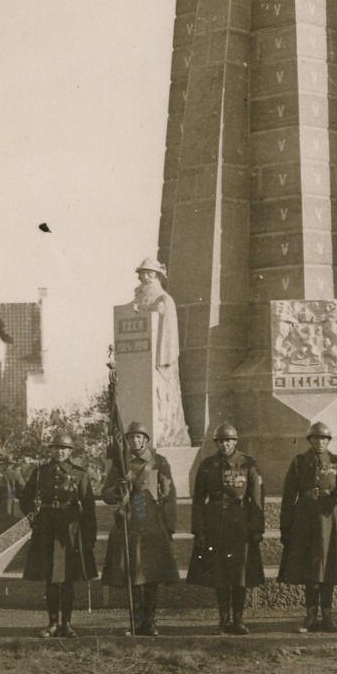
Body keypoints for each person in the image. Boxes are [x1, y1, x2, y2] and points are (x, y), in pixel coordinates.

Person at [101, 421, 180, 637]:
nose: (135, 441)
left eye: (138, 437)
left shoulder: (158, 462)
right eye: (131, 438)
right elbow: (105, 493)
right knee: (133, 574)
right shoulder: (120, 464)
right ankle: (135, 622)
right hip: (129, 519)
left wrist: (169, 527)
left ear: (145, 439)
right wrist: (118, 487)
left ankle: (150, 621)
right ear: (126, 440)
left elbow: (169, 494)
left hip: (151, 517)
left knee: (151, 574)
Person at [279, 421, 337, 634]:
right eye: (316, 438)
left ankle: (328, 616)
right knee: (309, 570)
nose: (320, 442)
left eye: (324, 438)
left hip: (329, 519)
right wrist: (285, 527)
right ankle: (311, 616)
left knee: (328, 569)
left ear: (329, 441)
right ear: (310, 440)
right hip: (304, 519)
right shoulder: (299, 462)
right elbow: (288, 496)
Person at [186, 421, 265, 635]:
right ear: (216, 443)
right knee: (220, 575)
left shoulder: (248, 464)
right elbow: (199, 500)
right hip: (215, 525)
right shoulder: (207, 466)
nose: (225, 445)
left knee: (239, 575)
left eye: (229, 441)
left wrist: (257, 528)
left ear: (235, 442)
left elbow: (257, 498)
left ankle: (238, 620)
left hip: (239, 525)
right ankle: (223, 621)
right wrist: (199, 530)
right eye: (221, 441)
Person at [19, 432, 98, 638]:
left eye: (64, 448)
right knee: (51, 578)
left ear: (70, 451)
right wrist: (33, 517)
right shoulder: (39, 473)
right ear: (50, 450)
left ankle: (67, 623)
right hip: (46, 528)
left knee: (68, 578)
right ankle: (52, 623)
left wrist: (89, 536)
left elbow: (88, 507)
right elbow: (25, 498)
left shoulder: (80, 474)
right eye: (55, 448)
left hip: (70, 530)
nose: (59, 451)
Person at [130, 258, 190, 448]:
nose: (144, 276)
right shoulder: (138, 295)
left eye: (148, 272)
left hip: (157, 358)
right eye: (142, 272)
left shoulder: (163, 298)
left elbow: (159, 310)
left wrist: (141, 308)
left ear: (156, 275)